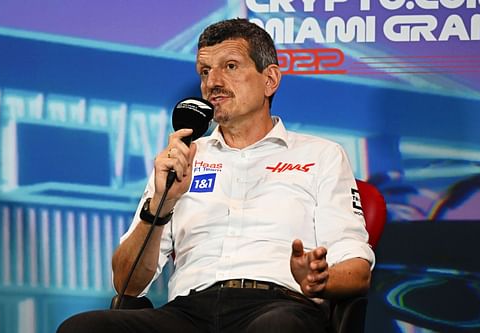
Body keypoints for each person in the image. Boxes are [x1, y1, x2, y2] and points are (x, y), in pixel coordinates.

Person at [58, 18, 374, 333]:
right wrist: (162, 204)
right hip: (188, 313)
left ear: (270, 80)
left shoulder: (321, 156)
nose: (213, 82)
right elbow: (127, 285)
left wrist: (321, 280)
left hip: (278, 306)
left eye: (231, 66)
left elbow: (359, 270)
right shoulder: (181, 158)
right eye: (205, 71)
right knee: (82, 328)